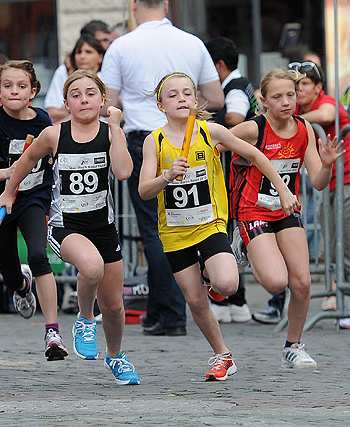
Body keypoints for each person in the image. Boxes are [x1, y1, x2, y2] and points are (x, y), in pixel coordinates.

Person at [139, 72, 300, 380]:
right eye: (173, 95)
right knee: (195, 300)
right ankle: (222, 356)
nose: (181, 99)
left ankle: (212, 268)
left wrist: (282, 189)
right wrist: (167, 176)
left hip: (209, 224)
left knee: (227, 285)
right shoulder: (153, 141)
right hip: (175, 231)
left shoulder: (210, 132)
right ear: (161, 106)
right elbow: (144, 190)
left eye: (187, 93)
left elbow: (255, 154)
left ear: (195, 100)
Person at [0, 70, 139, 385]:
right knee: (91, 266)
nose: (84, 99)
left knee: (114, 306)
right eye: (76, 95)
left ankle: (115, 355)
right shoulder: (54, 135)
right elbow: (26, 160)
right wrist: (8, 192)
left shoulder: (111, 132)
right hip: (66, 226)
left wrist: (116, 127)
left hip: (103, 227)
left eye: (91, 93)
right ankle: (84, 318)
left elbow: (123, 171)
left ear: (103, 100)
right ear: (66, 103)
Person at [100, 0, 224, 337]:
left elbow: (108, 102)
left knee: (154, 229)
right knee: (193, 218)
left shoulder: (122, 46)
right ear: (166, 4)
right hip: (189, 138)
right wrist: (187, 109)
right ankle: (162, 308)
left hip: (145, 139)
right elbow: (215, 96)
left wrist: (137, 105)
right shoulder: (192, 42)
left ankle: (171, 313)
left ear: (134, 6)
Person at [229, 68, 343, 368]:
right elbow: (216, 142)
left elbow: (317, 182)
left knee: (302, 282)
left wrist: (327, 165)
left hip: (286, 210)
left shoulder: (304, 128)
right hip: (252, 210)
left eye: (291, 95)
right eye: (277, 97)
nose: (286, 102)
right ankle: (244, 244)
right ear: (264, 101)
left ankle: (293, 346)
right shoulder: (254, 128)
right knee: (277, 283)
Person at [0, 60, 67, 361]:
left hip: (32, 198)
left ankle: (52, 332)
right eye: (8, 86)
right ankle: (22, 287)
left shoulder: (42, 120)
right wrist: (9, 173)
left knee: (38, 255)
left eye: (21, 86)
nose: (14, 91)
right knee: (10, 275)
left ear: (33, 92)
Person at [205, 36, 258, 323]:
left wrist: (212, 126)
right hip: (237, 173)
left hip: (233, 174)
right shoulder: (241, 84)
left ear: (218, 65)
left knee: (225, 235)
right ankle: (234, 300)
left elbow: (236, 118)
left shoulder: (235, 87)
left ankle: (228, 298)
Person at [292, 61, 350, 313]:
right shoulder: (295, 107)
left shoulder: (324, 102)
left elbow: (327, 115)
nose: (300, 89)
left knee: (344, 239)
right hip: (328, 182)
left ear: (318, 87)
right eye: (296, 85)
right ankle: (339, 291)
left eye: (305, 83)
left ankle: (342, 293)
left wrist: (295, 120)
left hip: (347, 179)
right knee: (334, 239)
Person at [44, 20, 112, 124]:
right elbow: (52, 113)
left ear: (100, 57)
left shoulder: (109, 74)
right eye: (79, 52)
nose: (82, 56)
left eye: (88, 52)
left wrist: (72, 109)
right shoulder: (63, 71)